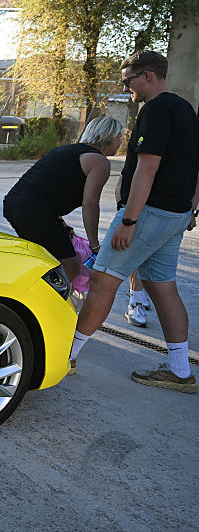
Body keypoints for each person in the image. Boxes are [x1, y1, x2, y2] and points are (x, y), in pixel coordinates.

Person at [70, 51, 199, 392]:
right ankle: (180, 372)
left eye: (129, 81)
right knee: (162, 287)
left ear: (149, 76)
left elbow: (148, 167)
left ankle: (66, 356)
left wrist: (129, 220)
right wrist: (191, 209)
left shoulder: (155, 110)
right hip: (174, 215)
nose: (126, 88)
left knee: (102, 281)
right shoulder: (186, 110)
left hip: (147, 214)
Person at [3, 115, 123, 284]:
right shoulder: (99, 161)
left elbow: (49, 189)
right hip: (33, 211)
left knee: (46, 260)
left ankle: (27, 294)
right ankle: (44, 304)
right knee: (70, 266)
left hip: (15, 205)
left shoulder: (67, 150)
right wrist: (94, 245)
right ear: (109, 136)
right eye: (119, 136)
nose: (121, 141)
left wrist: (63, 227)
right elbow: (90, 204)